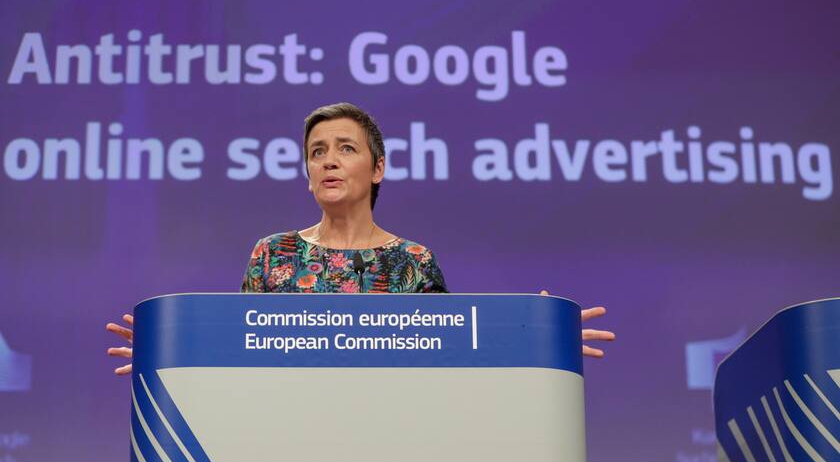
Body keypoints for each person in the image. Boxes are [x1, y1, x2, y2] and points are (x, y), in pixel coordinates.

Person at [106, 102, 615, 375]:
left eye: (345, 148)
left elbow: (452, 355)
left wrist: (535, 332)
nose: (327, 159)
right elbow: (242, 350)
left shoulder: (412, 260)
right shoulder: (273, 253)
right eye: (316, 151)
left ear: (377, 168)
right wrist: (168, 352)